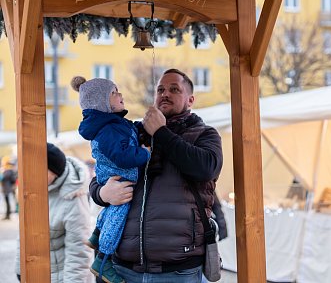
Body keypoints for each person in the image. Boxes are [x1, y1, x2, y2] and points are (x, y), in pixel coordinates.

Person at [90, 68, 223, 283]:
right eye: (160, 89)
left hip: (178, 269)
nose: (165, 94)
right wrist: (102, 193)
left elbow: (206, 168)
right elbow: (102, 172)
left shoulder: (204, 134)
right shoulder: (133, 133)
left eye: (174, 89)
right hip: (123, 267)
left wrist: (161, 133)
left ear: (190, 100)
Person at [71, 76, 150, 283]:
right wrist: (145, 154)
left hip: (114, 177)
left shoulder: (112, 124)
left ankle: (97, 234)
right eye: (114, 92)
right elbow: (122, 156)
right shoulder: (108, 129)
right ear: (102, 102)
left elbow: (129, 131)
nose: (120, 94)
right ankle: (103, 262)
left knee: (112, 211)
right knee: (118, 213)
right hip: (118, 177)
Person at [15, 143, 93, 282]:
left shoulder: (73, 198)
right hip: (37, 275)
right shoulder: (33, 191)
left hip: (62, 278)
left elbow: (79, 253)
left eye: (39, 169)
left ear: (54, 172)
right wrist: (20, 269)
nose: (33, 174)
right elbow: (23, 235)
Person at [0, 156, 17, 220]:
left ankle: (8, 215)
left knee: (8, 202)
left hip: (8, 189)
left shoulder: (9, 171)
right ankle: (7, 214)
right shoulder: (6, 170)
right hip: (6, 188)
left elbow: (11, 179)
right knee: (6, 202)